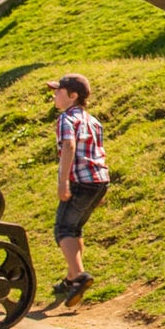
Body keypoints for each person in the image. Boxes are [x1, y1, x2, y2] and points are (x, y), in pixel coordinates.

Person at [47, 73, 110, 309]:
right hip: (99, 180)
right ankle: (72, 277)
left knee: (63, 228)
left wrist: (63, 182)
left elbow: (69, 147)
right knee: (76, 227)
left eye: (59, 91)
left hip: (80, 181)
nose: (54, 95)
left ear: (73, 96)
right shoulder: (93, 121)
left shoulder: (66, 119)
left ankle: (80, 276)